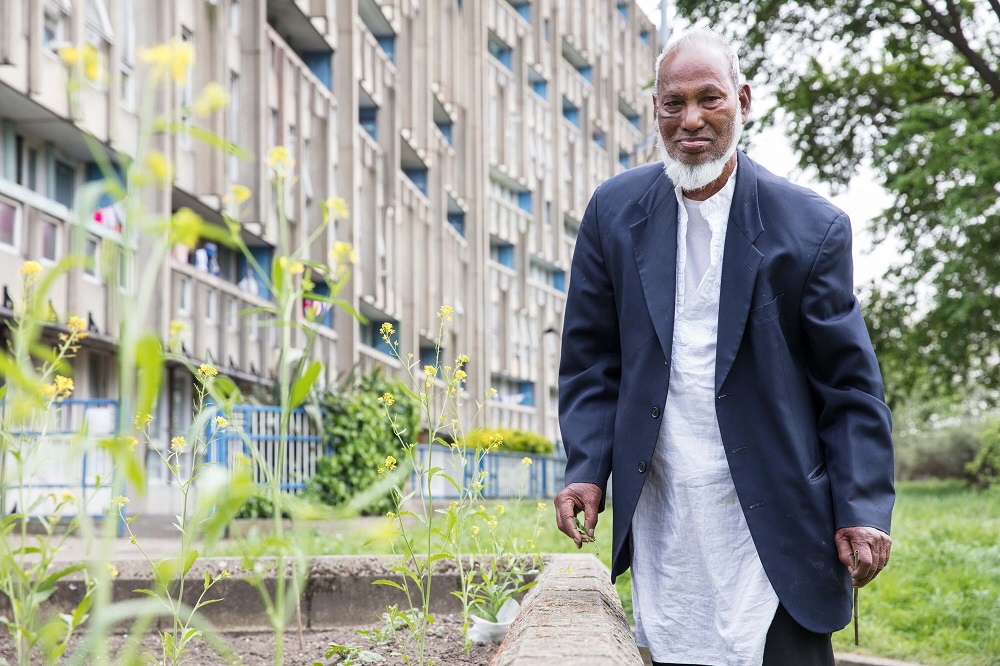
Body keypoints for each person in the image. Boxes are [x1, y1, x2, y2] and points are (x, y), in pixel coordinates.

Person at [554, 28, 894, 666]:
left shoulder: (812, 229)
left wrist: (863, 507)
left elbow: (849, 387)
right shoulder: (612, 213)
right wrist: (584, 469)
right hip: (666, 515)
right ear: (654, 108)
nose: (691, 120)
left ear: (742, 100)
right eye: (672, 103)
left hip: (776, 522)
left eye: (709, 99)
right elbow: (593, 360)